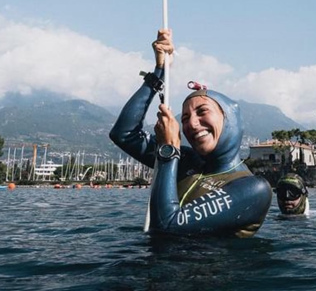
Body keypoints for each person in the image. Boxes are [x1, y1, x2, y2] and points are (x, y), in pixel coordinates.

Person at [109, 28, 272, 237]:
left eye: (202, 112)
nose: (192, 124)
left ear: (230, 119)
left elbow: (169, 227)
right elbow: (124, 134)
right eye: (184, 119)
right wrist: (160, 71)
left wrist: (168, 150)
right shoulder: (185, 161)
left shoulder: (253, 189)